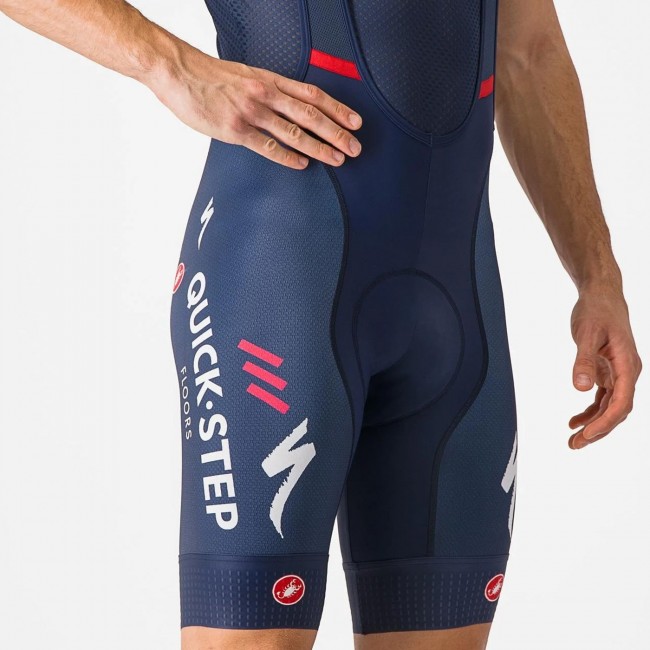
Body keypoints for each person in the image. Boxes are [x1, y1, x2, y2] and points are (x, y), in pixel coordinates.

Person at [1, 1, 641, 649]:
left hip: (456, 304)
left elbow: (528, 52)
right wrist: (170, 67)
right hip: (278, 289)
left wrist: (598, 276)